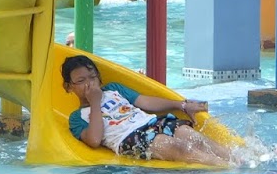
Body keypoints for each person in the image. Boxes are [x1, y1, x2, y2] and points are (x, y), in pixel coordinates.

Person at [62, 54, 237, 167]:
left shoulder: (113, 89)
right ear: (68, 87)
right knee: (177, 147)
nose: (90, 84)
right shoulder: (77, 117)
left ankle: (240, 160)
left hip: (152, 122)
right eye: (81, 81)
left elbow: (145, 102)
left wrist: (180, 105)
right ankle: (228, 169)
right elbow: (94, 139)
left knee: (194, 137)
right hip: (130, 138)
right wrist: (95, 103)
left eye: (93, 77)